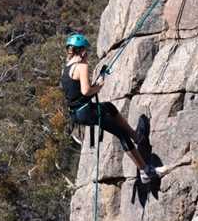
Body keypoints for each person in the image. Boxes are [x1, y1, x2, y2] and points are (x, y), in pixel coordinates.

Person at [60, 33, 165, 183]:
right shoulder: (81, 66)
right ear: (82, 51)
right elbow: (86, 91)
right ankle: (145, 171)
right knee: (121, 134)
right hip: (86, 112)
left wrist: (98, 81)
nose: (87, 55)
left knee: (109, 107)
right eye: (86, 51)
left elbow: (76, 94)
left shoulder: (66, 68)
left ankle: (136, 136)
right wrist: (100, 85)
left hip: (77, 114)